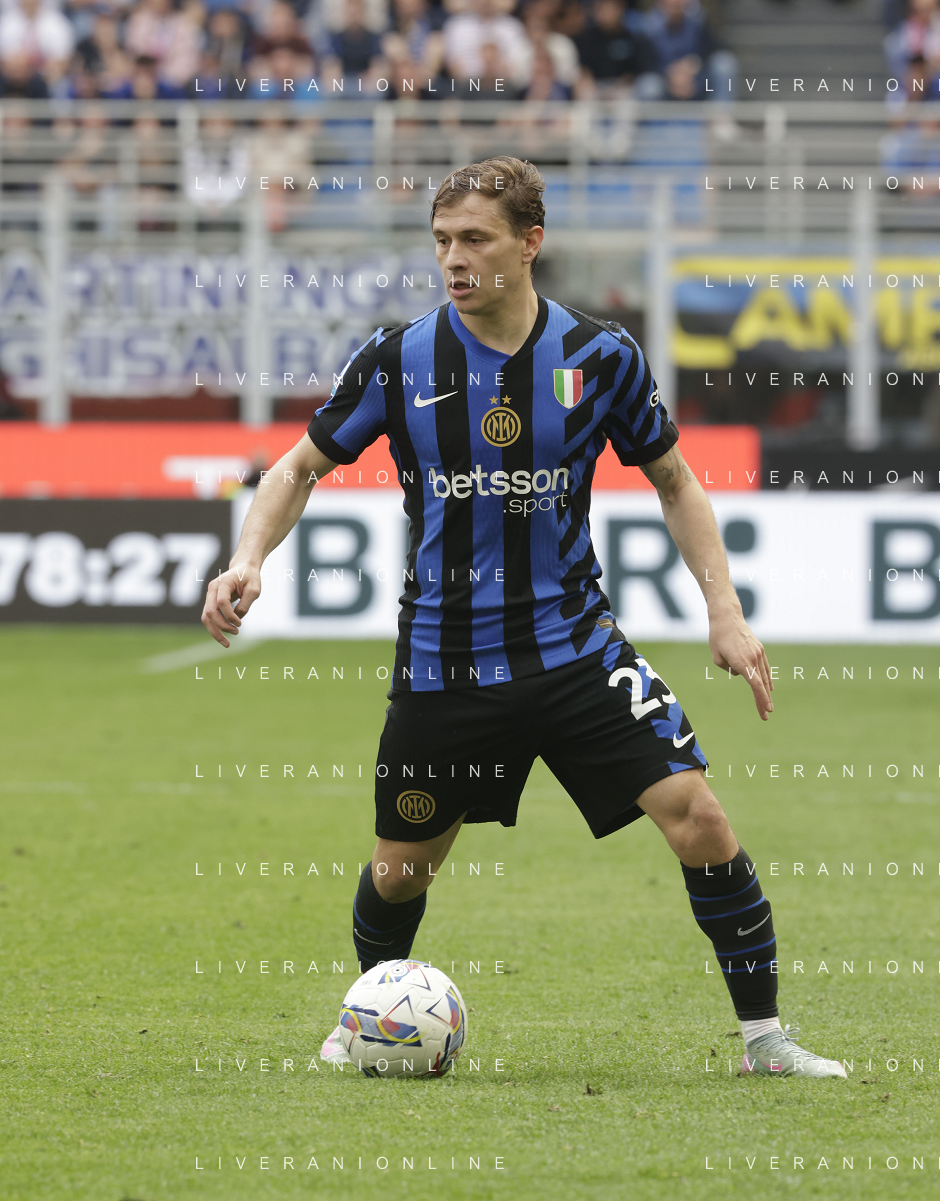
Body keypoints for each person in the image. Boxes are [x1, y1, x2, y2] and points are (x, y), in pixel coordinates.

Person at [201, 155, 847, 1081]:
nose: (453, 259)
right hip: (445, 662)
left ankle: (766, 1041)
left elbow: (675, 481)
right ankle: (369, 1016)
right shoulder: (398, 359)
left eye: (475, 239)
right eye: (442, 241)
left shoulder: (600, 356)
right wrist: (247, 558)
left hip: (576, 649)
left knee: (699, 816)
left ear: (529, 242)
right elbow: (299, 465)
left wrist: (726, 611)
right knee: (400, 869)